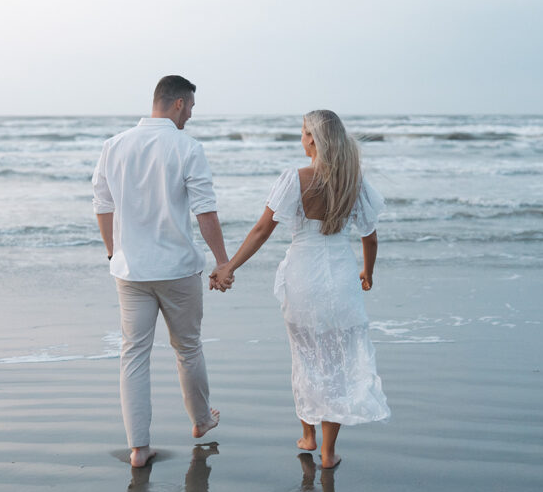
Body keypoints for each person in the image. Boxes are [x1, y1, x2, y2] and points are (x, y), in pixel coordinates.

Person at [211, 110, 390, 468]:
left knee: (306, 356)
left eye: (304, 132)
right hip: (340, 277)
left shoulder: (295, 179)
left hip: (303, 278)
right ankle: (327, 452)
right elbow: (369, 238)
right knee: (336, 362)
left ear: (313, 140)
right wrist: (367, 273)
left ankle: (308, 435)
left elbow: (262, 230)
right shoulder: (355, 182)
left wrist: (229, 266)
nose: (301, 138)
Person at [92, 75, 231, 468]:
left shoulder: (113, 146)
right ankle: (201, 422)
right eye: (189, 108)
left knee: (133, 354)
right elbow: (205, 211)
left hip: (130, 271)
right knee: (187, 348)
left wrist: (112, 253)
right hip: (177, 270)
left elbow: (102, 205)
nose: (189, 116)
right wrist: (222, 262)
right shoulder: (187, 147)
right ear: (177, 104)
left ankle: (138, 449)